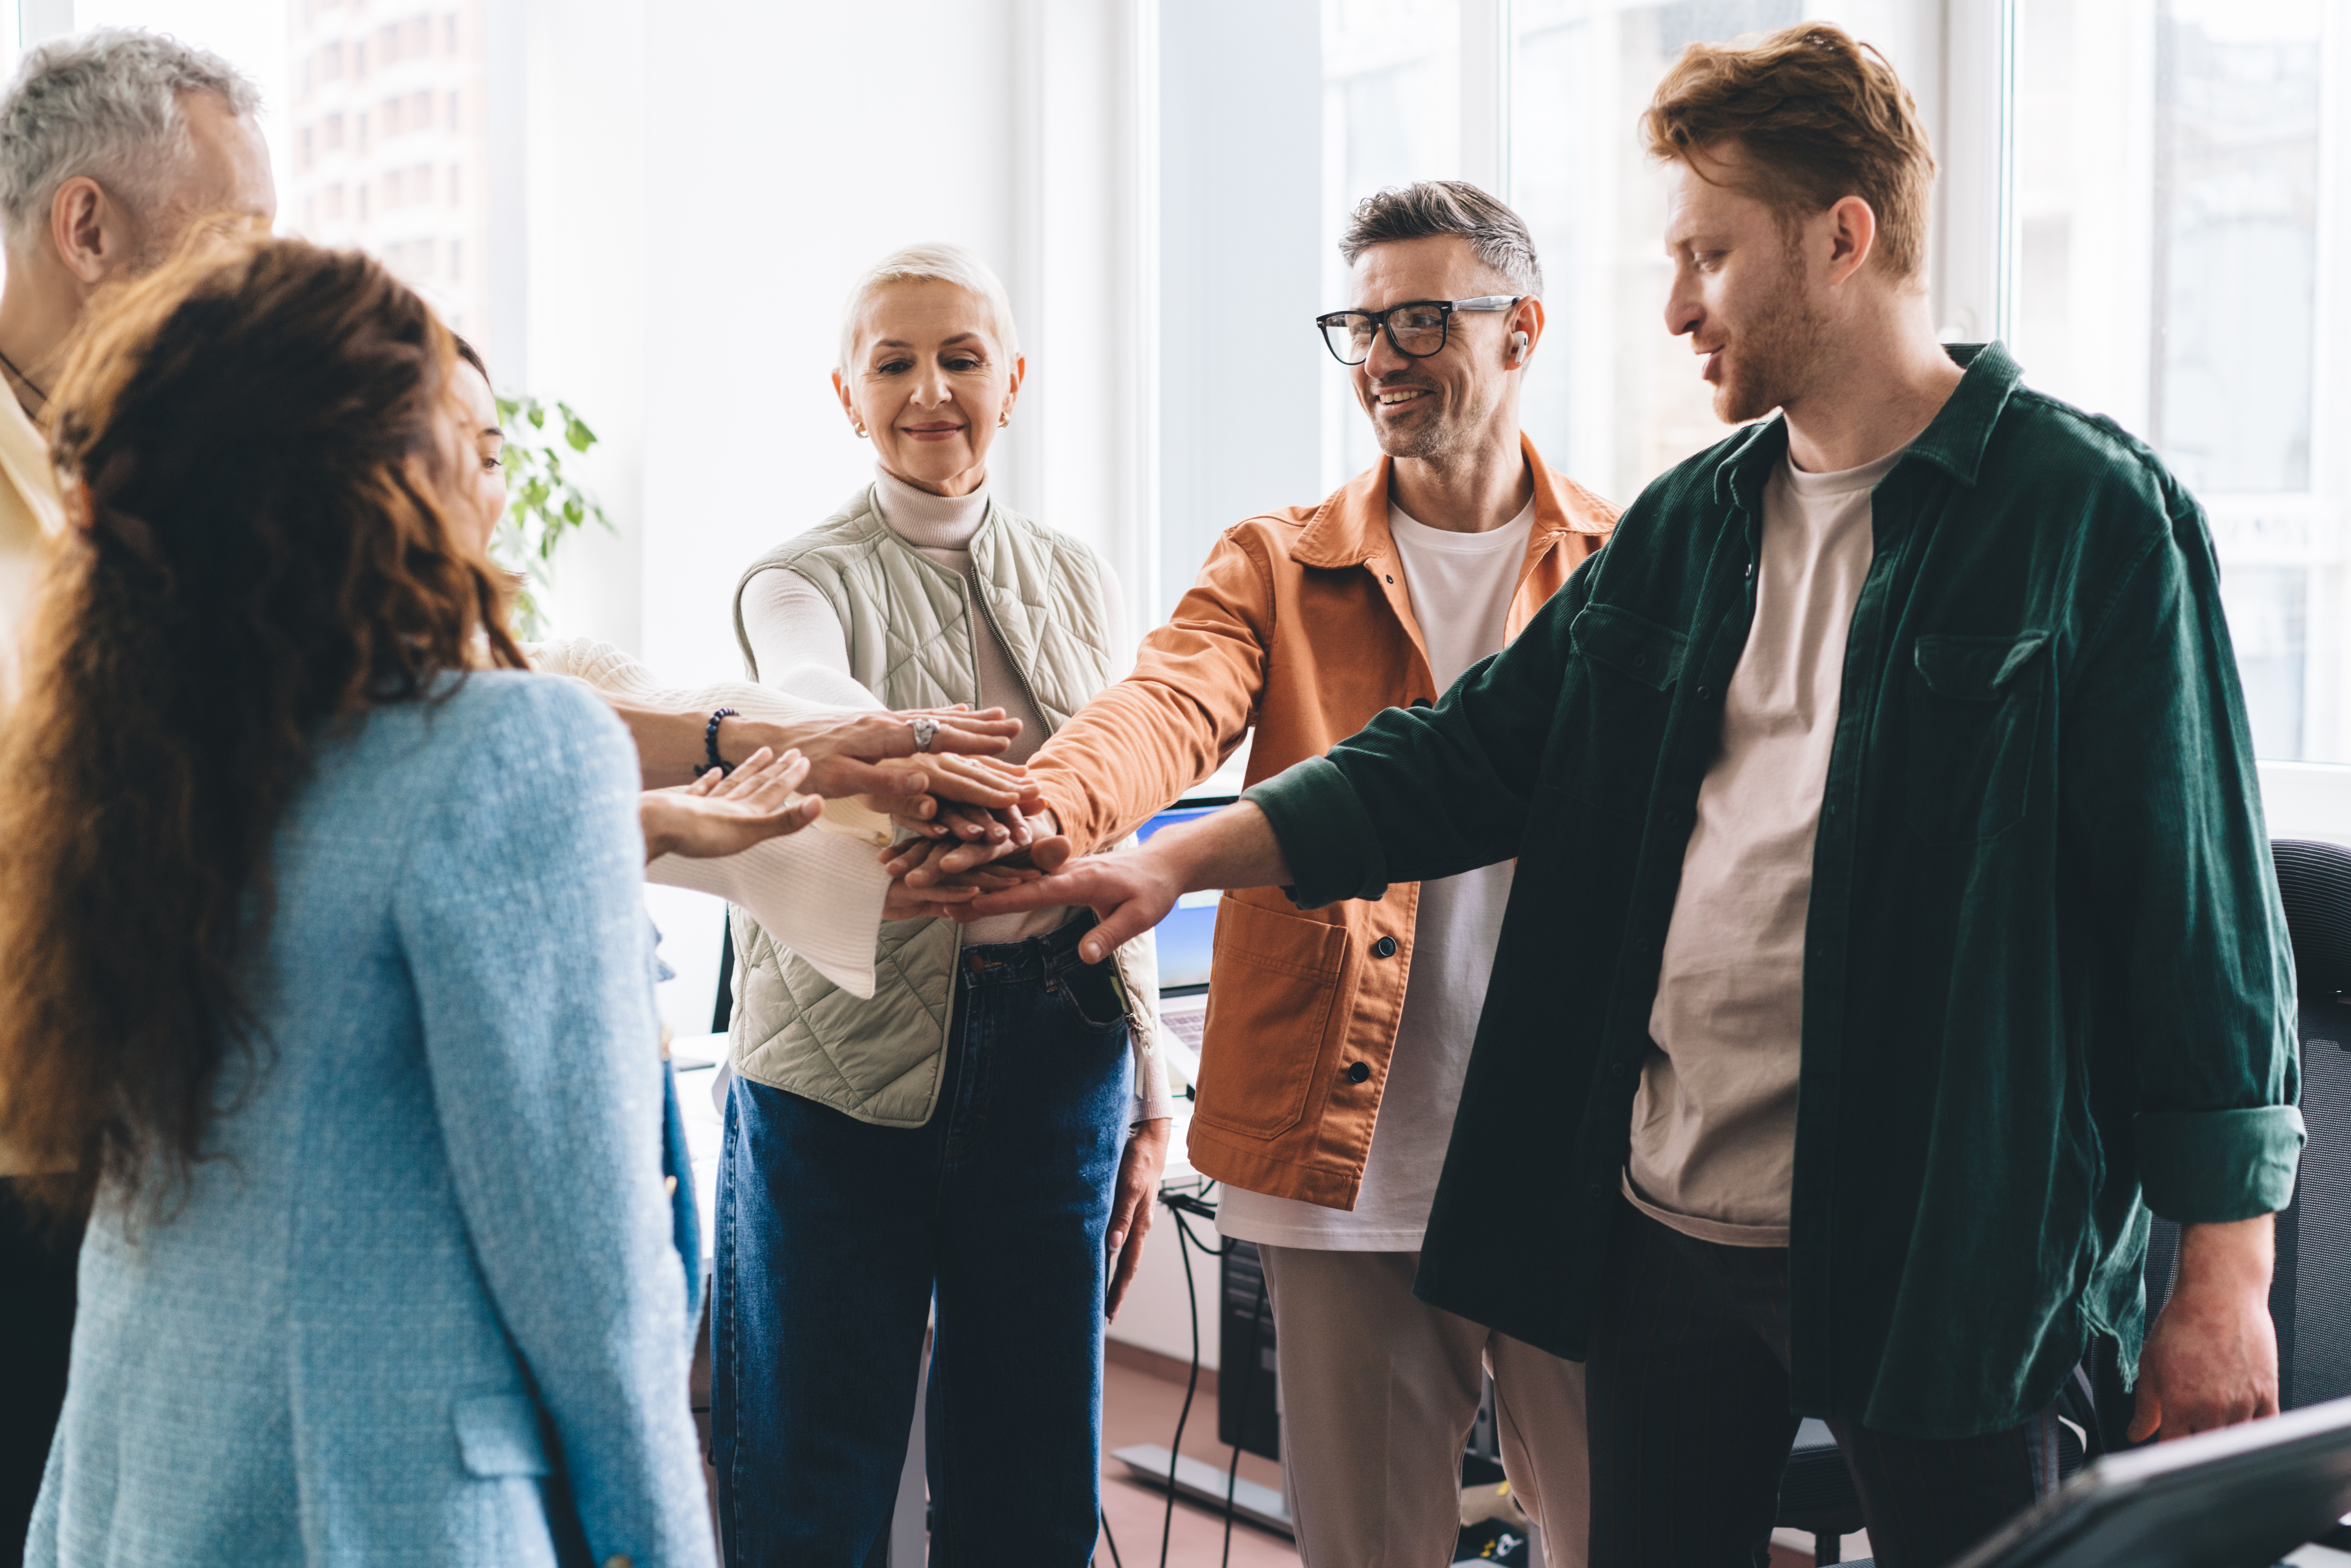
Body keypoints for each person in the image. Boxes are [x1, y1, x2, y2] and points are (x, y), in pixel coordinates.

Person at [962, 25, 2303, 1568]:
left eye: (1709, 257)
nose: (1674, 308)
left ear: (1841, 237)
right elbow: (1466, 755)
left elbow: (2197, 926)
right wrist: (1173, 864)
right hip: (1665, 1225)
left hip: (1953, 1245)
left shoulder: (2090, 519)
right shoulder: (1690, 525)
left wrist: (2227, 1276)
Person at [898, 183, 1615, 1564]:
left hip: (1567, 1143)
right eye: (1360, 324)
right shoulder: (1279, 560)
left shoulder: (1629, 560)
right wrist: (1048, 810)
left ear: (1521, 328)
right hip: (1340, 1156)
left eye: (1422, 316)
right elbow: (1161, 705)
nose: (1385, 357)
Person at [3, 235, 716, 1567]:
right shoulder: (514, 749)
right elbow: (593, 1284)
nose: (488, 470)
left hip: (132, 1492)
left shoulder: (139, 766)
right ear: (379, 475)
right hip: (384, 1516)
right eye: (459, 427)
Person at [713, 242, 1171, 1565]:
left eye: (962, 358)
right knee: (813, 1471)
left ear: (1012, 381)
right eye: (894, 362)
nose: (930, 390)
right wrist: (906, 745)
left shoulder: (1082, 574)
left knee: (1033, 1484)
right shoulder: (794, 574)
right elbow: (809, 693)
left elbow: (1125, 812)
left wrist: (1151, 1095)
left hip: (1056, 1053)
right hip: (837, 1072)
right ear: (846, 394)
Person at [0, 30, 275, 1552]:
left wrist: (719, 746)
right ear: (88, 225)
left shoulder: (171, 476)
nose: (251, 291)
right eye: (230, 241)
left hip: (153, 1164)